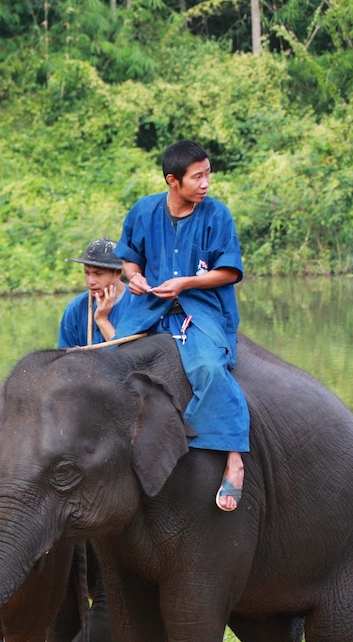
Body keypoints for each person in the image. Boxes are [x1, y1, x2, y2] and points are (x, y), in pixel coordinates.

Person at [112, 140, 249, 511]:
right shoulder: (144, 211)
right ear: (173, 181)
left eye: (208, 174)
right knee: (113, 365)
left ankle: (234, 458)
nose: (206, 183)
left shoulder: (216, 215)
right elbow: (129, 260)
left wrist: (185, 282)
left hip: (200, 308)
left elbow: (228, 271)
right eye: (198, 176)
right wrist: (136, 278)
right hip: (149, 308)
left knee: (209, 369)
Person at [57, 237, 132, 348]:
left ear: (117, 273)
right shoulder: (75, 308)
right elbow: (63, 358)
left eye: (98, 273)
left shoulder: (136, 304)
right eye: (87, 273)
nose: (90, 281)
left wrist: (102, 320)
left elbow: (131, 358)